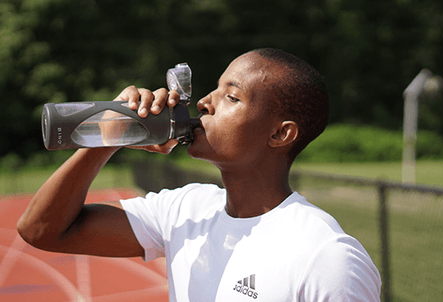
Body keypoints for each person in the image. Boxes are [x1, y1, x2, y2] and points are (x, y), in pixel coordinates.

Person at [17, 48, 381, 301]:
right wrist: (110, 133)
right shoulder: (186, 209)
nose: (205, 102)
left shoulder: (327, 257)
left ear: (279, 134)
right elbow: (41, 230)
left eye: (232, 97)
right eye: (215, 89)